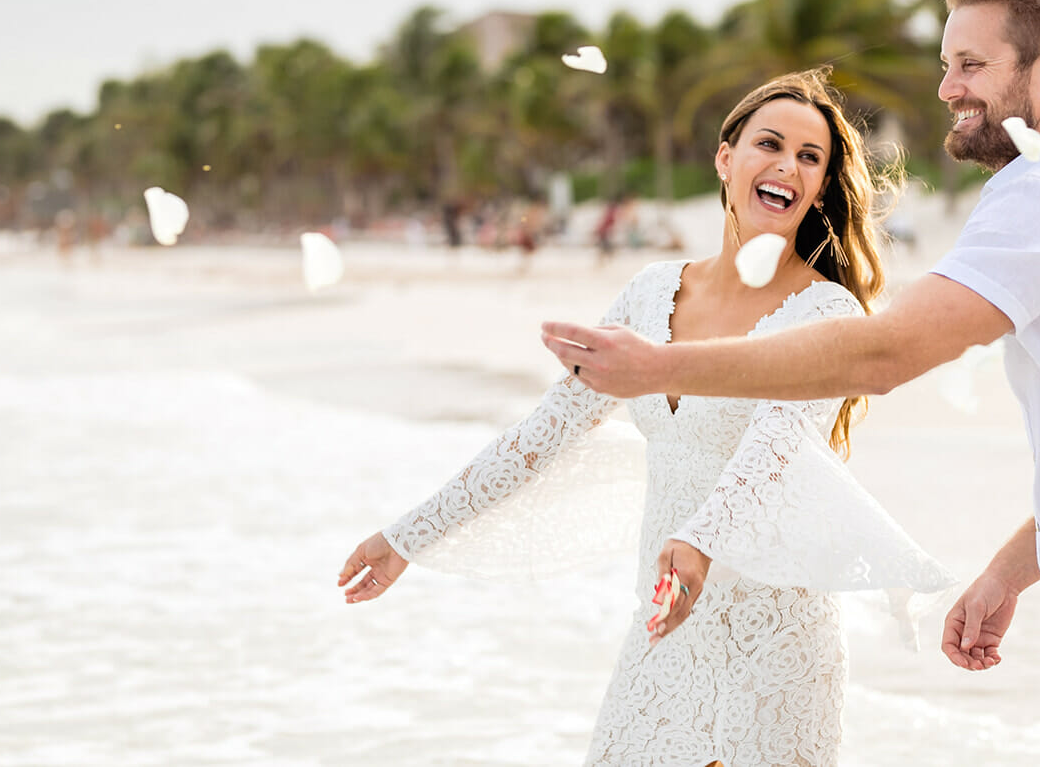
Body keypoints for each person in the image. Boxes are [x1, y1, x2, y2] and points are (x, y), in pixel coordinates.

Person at [542, 0, 1040, 767]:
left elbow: (884, 352)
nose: (947, 87)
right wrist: (1008, 572)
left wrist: (665, 366)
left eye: (970, 63)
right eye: (944, 62)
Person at [339, 69, 951, 767]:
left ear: (817, 187)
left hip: (775, 638)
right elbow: (542, 435)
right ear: (726, 158)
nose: (788, 165)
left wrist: (697, 543)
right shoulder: (649, 292)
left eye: (810, 158)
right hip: (665, 621)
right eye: (770, 144)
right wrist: (408, 534)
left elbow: (775, 452)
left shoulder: (826, 312)